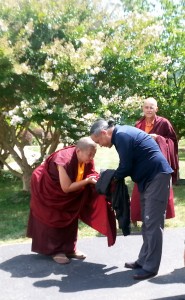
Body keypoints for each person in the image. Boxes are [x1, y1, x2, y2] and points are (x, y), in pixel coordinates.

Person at [90, 119, 173, 280]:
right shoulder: (121, 134)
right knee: (147, 222)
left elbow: (126, 165)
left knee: (153, 224)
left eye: (98, 141)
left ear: (103, 133)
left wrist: (111, 179)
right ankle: (143, 260)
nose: (99, 145)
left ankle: (151, 267)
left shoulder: (122, 135)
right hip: (147, 179)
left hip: (156, 177)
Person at [27, 137, 116, 264]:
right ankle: (56, 250)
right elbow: (66, 188)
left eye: (93, 155)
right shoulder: (64, 161)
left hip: (70, 187)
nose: (91, 158)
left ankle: (69, 248)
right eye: (89, 155)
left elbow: (89, 173)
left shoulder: (87, 158)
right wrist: (87, 181)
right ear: (78, 151)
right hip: (47, 187)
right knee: (55, 216)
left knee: (71, 214)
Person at [131, 97, 179, 224]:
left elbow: (173, 141)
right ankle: (137, 217)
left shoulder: (164, 123)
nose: (148, 110)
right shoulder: (138, 125)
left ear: (156, 109)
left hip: (158, 165)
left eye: (151, 107)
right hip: (142, 165)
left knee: (158, 193)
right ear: (142, 108)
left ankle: (157, 218)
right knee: (139, 191)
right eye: (146, 107)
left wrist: (158, 138)